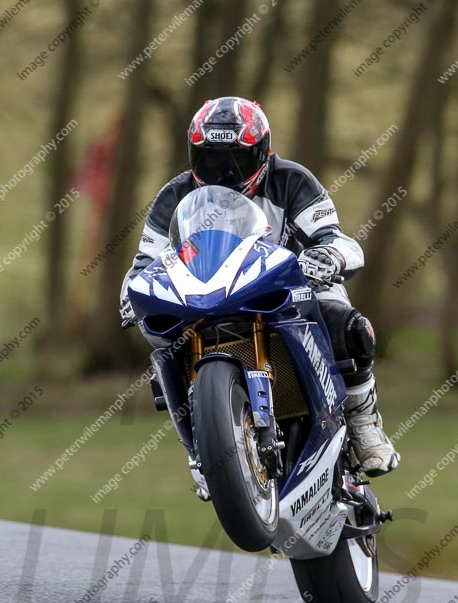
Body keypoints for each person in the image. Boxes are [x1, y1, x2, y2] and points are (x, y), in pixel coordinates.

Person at [120, 96, 400, 477]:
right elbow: (145, 262)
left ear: (263, 153)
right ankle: (199, 447)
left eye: (238, 159)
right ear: (193, 155)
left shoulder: (291, 180)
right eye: (211, 159)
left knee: (347, 324)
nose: (224, 171)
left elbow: (338, 239)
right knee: (164, 347)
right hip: (205, 295)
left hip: (289, 288)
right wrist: (132, 293)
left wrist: (327, 257)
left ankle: (365, 424)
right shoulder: (174, 195)